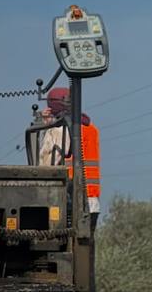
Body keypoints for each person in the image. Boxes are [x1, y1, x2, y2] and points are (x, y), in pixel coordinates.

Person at [30, 87, 101, 219]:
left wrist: (46, 127)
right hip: (92, 201)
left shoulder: (60, 130)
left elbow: (46, 165)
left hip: (68, 198)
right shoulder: (91, 128)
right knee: (86, 239)